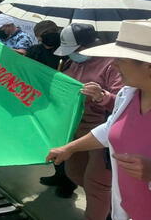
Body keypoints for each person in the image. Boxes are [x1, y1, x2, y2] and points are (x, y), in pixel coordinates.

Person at [47, 20, 151, 220]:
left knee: (96, 183)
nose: (113, 63)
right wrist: (69, 148)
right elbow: (109, 128)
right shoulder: (127, 95)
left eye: (121, 59)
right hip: (130, 208)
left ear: (147, 66)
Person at [48, 23, 124, 213]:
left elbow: (124, 104)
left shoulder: (111, 64)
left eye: (75, 50)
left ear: (90, 45)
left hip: (101, 133)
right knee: (73, 172)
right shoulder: (73, 62)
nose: (72, 54)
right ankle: (108, 205)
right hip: (76, 129)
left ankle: (100, 210)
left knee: (96, 184)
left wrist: (101, 96)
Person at [25, 21, 74, 194]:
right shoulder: (35, 51)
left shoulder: (67, 52)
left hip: (62, 103)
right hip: (41, 101)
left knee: (64, 140)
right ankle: (58, 174)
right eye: (46, 33)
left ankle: (69, 181)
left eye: (53, 32)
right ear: (38, 36)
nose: (50, 35)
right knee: (51, 140)